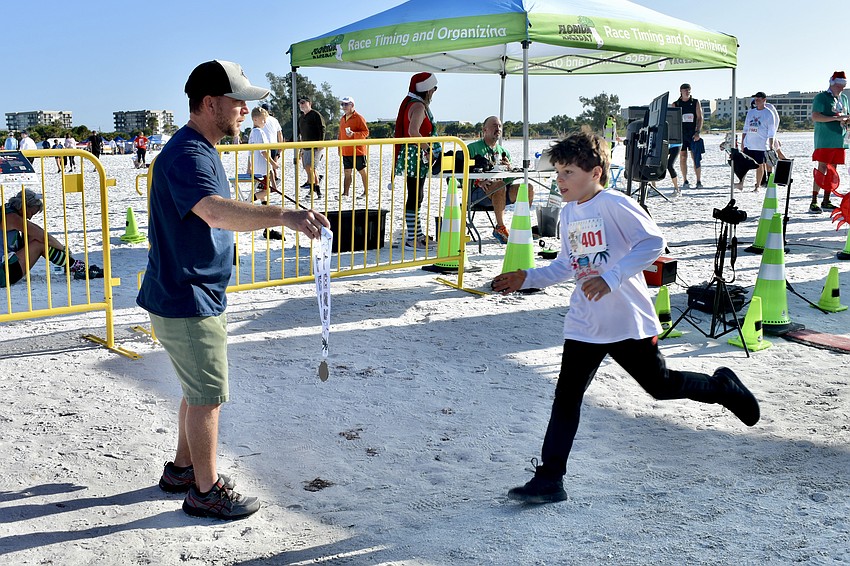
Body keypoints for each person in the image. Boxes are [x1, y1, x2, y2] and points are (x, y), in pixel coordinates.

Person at [491, 130, 760, 504]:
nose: (559, 180)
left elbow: (653, 243)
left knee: (660, 385)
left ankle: (722, 388)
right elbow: (568, 264)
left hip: (626, 321)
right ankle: (550, 479)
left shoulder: (614, 203)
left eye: (568, 172)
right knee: (566, 398)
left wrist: (612, 277)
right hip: (585, 323)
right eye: (558, 172)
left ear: (596, 172)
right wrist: (528, 278)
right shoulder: (569, 212)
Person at [136, 60, 329, 521]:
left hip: (186, 293)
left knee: (195, 388)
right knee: (206, 396)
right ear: (209, 103)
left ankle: (183, 470)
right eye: (238, 101)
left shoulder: (197, 149)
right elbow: (215, 212)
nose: (246, 109)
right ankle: (205, 491)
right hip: (188, 296)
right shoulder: (188, 154)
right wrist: (284, 216)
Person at [1, 189, 98, 287]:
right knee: (40, 244)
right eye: (31, 213)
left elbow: (36, 231)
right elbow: (44, 237)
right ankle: (74, 265)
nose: (30, 217)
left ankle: (70, 264)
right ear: (24, 206)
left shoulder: (6, 210)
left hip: (5, 266)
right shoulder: (12, 218)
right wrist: (64, 249)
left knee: (32, 235)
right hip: (3, 274)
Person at [466, 116, 533, 243]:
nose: (498, 129)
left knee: (527, 188)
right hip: (477, 193)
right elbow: (461, 174)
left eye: (500, 126)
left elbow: (509, 181)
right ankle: (500, 228)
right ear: (484, 129)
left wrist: (509, 168)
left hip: (500, 191)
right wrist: (479, 181)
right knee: (499, 185)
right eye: (494, 126)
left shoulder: (504, 152)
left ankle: (522, 227)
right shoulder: (472, 148)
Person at [394, 72, 440, 250]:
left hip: (413, 154)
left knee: (415, 195)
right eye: (434, 88)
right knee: (415, 195)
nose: (435, 91)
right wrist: (428, 150)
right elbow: (414, 132)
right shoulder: (419, 106)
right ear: (427, 89)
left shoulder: (412, 103)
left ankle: (416, 234)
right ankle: (413, 238)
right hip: (415, 155)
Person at [810, 71, 849, 213]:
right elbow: (815, 116)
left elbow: (846, 115)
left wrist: (846, 120)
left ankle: (826, 200)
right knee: (822, 169)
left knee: (833, 170)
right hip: (825, 140)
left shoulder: (843, 98)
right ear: (832, 83)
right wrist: (835, 118)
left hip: (840, 140)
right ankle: (814, 200)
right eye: (839, 84)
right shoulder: (822, 97)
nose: (842, 88)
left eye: (844, 85)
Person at [738, 92, 777, 192]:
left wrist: (771, 144)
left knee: (759, 165)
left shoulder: (768, 113)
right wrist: (742, 142)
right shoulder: (751, 112)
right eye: (755, 100)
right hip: (749, 143)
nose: (756, 101)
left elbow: (771, 131)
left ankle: (758, 185)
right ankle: (741, 183)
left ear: (764, 100)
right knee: (743, 164)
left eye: (758, 99)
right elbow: (745, 128)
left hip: (761, 144)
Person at [672, 83, 704, 189]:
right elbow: (673, 121)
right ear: (680, 91)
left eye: (689, 90)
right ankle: (685, 180)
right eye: (685, 90)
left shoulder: (695, 102)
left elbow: (700, 118)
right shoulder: (676, 104)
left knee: (695, 157)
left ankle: (698, 180)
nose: (687, 91)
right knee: (683, 157)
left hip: (693, 134)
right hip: (681, 135)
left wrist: (698, 132)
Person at [337, 96, 369, 198]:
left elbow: (366, 132)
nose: (344, 106)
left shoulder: (359, 117)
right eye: (342, 104)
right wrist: (339, 148)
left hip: (358, 150)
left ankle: (366, 192)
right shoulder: (342, 119)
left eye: (346, 104)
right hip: (346, 150)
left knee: (362, 171)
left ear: (352, 105)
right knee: (347, 172)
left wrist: (354, 134)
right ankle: (345, 193)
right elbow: (340, 135)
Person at [247, 106, 279, 205]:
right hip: (262, 167)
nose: (265, 123)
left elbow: (250, 152)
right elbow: (263, 151)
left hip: (257, 167)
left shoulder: (252, 132)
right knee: (267, 190)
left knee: (264, 188)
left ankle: (264, 204)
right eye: (263, 120)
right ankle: (248, 201)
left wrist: (249, 166)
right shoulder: (259, 132)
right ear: (255, 119)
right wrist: (273, 163)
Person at [297, 97, 326, 198]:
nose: (301, 105)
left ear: (310, 103)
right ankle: (316, 189)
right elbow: (298, 132)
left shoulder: (315, 114)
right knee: (308, 168)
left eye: (303, 102)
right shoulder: (301, 118)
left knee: (311, 167)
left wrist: (320, 143)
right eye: (300, 103)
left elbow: (322, 128)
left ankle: (314, 190)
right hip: (305, 146)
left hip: (315, 146)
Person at [259, 102, 283, 169]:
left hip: (264, 145)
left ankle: (272, 178)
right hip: (274, 145)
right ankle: (275, 178)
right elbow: (280, 133)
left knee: (266, 166)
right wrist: (281, 145)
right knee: (273, 164)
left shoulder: (260, 120)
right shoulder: (274, 120)